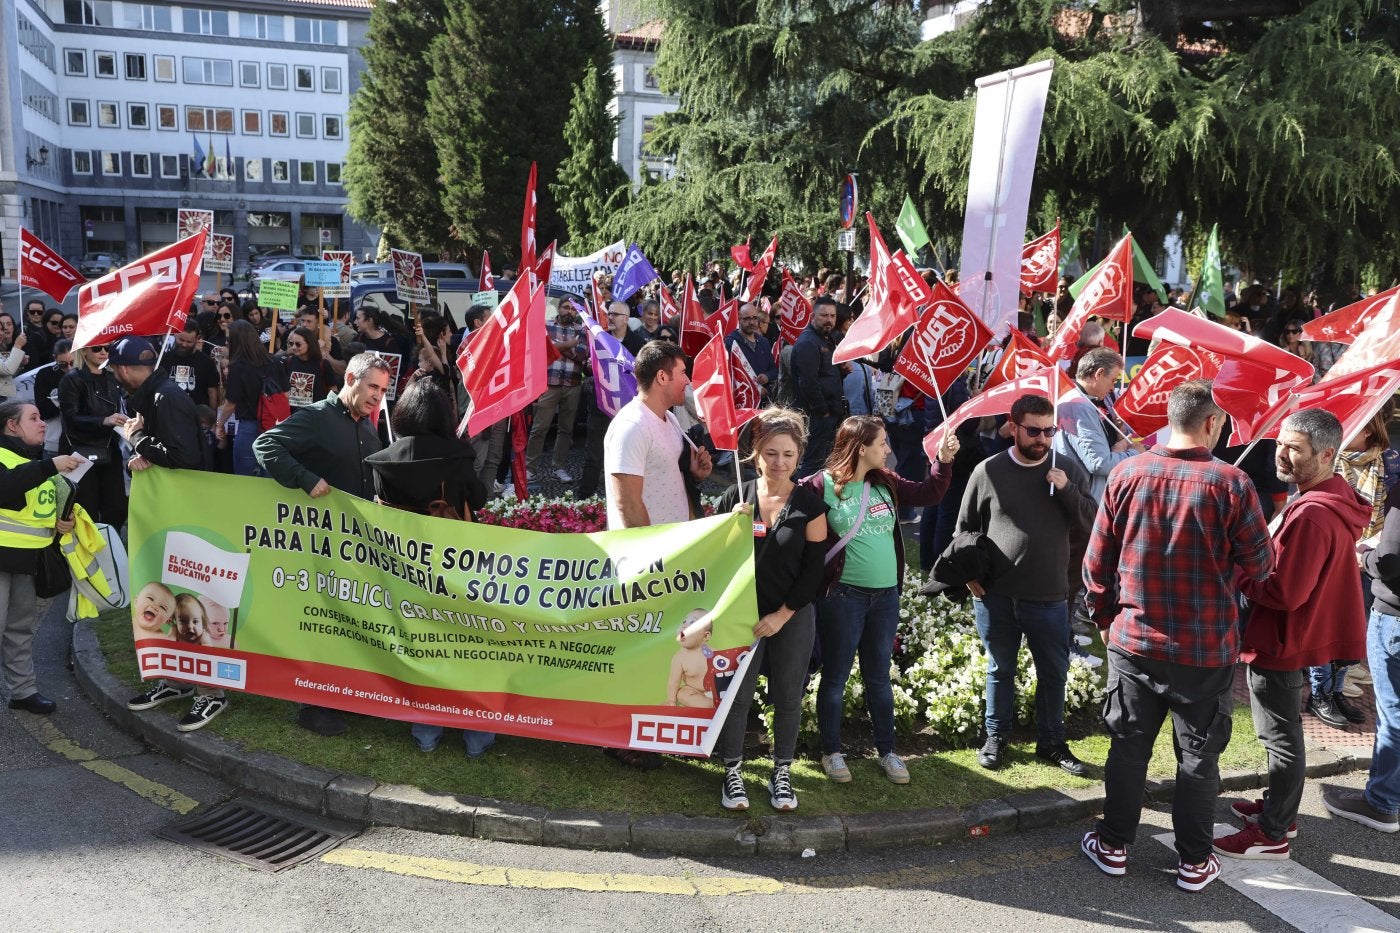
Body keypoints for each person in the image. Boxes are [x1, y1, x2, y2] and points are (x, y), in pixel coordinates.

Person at [1079, 380, 1272, 893]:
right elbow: (1261, 563)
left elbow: (1096, 562)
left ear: (1170, 418)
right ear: (1211, 423)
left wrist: (1103, 617)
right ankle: (1192, 861)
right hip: (1204, 648)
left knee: (1128, 747)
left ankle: (1115, 845)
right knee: (1198, 757)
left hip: (1135, 639)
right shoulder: (1232, 483)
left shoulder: (1128, 473)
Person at [1212, 408, 1368, 860]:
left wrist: (1239, 567)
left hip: (1282, 637)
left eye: (1294, 448)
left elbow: (1283, 591)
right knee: (1283, 731)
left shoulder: (1311, 515)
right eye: (1280, 443)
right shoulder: (1326, 498)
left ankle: (1273, 831)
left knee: (1278, 735)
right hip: (1294, 634)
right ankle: (1280, 810)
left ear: (1325, 454)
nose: (1281, 453)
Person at [798, 415, 957, 785]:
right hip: (843, 598)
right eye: (882, 443)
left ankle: (888, 751)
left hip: (885, 598)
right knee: (835, 678)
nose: (888, 449)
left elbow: (929, 493)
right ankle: (832, 752)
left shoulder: (885, 481)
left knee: (878, 678)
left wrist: (944, 461)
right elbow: (783, 509)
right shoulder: (819, 485)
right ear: (861, 447)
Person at [959, 394, 1097, 775]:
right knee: (1000, 668)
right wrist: (970, 574)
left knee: (1053, 672)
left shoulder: (1067, 468)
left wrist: (1067, 489)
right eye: (1034, 430)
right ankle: (995, 737)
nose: (1042, 439)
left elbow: (1094, 524)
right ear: (1013, 426)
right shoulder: (988, 471)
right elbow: (965, 529)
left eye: (1049, 431)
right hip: (996, 596)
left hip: (1050, 595)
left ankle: (1052, 743)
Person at [254, 353, 391, 736]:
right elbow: (266, 447)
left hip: (356, 546)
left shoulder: (368, 428)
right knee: (322, 624)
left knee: (350, 623)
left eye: (382, 390)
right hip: (317, 546)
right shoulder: (316, 417)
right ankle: (313, 706)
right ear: (351, 378)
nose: (377, 397)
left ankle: (347, 694)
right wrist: (305, 478)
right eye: (372, 387)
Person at [365, 379, 491, 757]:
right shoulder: (458, 455)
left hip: (404, 566)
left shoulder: (384, 459)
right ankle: (476, 738)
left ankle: (426, 733)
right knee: (468, 648)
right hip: (456, 565)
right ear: (444, 414)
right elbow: (479, 499)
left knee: (421, 645)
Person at [602, 341, 712, 769]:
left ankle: (647, 733)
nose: (689, 380)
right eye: (683, 372)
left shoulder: (668, 421)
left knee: (657, 650)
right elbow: (628, 504)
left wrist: (694, 475)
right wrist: (655, 563)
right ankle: (621, 740)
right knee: (638, 650)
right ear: (662, 376)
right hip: (645, 563)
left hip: (671, 556)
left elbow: (668, 483)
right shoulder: (631, 426)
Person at [713, 409, 829, 811]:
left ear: (799, 458)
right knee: (738, 697)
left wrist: (782, 615)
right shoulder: (735, 496)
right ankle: (732, 771)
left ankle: (781, 771)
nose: (779, 462)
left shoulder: (811, 505)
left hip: (791, 616)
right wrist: (728, 527)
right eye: (771, 453)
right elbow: (713, 560)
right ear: (755, 453)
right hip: (741, 618)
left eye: (788, 454)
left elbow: (814, 572)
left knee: (787, 695)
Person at [110, 336, 227, 729]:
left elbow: (184, 457)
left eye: (114, 369)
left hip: (190, 514)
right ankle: (177, 680)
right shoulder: (154, 394)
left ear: (125, 369)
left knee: (192, 597)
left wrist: (136, 438)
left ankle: (212, 693)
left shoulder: (166, 396)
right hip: (170, 512)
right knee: (165, 592)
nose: (113, 375)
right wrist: (141, 450)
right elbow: (168, 452)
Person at [1307, 410, 1400, 725]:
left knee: (1351, 629)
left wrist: (1372, 546)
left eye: (1354, 426)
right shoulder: (1327, 458)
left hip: (1370, 555)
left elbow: (1390, 513)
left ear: (1370, 430)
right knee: (1325, 626)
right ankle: (1319, 695)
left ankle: (1335, 692)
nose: (1344, 432)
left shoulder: (1390, 460)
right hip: (1331, 551)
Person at [0, 401, 84, 715]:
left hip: (26, 561)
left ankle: (23, 692)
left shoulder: (43, 462)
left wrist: (61, 525)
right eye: (33, 418)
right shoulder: (33, 462)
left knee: (20, 630)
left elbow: (37, 514)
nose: (42, 423)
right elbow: (6, 488)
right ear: (12, 425)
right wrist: (51, 466)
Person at [1327, 481, 1400, 833]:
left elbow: (1391, 561)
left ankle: (1382, 802)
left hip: (1395, 615)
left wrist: (1364, 556)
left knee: (1394, 714)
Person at [576, 301, 645, 499]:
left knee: (625, 456)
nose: (611, 318)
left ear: (626, 318)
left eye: (615, 314)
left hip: (627, 410)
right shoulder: (600, 338)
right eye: (609, 314)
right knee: (594, 455)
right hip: (600, 405)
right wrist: (589, 366)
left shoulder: (639, 344)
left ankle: (622, 498)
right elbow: (586, 370)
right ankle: (584, 499)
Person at [57, 344, 128, 530]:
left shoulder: (114, 377)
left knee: (116, 507)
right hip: (80, 451)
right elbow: (70, 417)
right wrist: (103, 420)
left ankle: (111, 551)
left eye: (107, 348)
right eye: (97, 348)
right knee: (84, 508)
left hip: (110, 448)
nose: (103, 352)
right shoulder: (72, 379)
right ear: (84, 350)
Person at [526, 298, 588, 483]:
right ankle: (530, 468)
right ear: (558, 308)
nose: (569, 311)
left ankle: (558, 467)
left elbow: (582, 355)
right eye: (566, 307)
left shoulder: (582, 330)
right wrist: (570, 344)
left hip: (572, 384)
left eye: (573, 309)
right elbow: (544, 350)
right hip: (549, 384)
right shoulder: (546, 326)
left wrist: (557, 347)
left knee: (566, 430)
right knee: (539, 428)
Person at [217, 320, 289, 477]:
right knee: (271, 478)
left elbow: (230, 404)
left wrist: (219, 424)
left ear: (237, 341)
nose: (226, 343)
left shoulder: (237, 366)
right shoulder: (275, 361)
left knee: (246, 480)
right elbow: (285, 395)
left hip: (250, 426)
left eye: (229, 340)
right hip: (274, 426)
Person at [790, 297, 843, 475]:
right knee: (813, 463)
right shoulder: (808, 342)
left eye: (832, 316)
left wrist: (842, 371)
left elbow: (825, 375)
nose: (829, 319)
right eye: (824, 315)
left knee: (823, 462)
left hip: (827, 414)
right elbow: (807, 383)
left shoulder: (826, 339)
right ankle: (803, 499)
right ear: (813, 316)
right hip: (816, 416)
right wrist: (823, 411)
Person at [725, 301, 778, 403]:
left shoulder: (764, 342)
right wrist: (755, 389)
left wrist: (767, 376)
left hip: (764, 404)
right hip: (742, 404)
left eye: (754, 318)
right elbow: (729, 377)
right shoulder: (730, 343)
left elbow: (774, 370)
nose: (752, 322)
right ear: (739, 319)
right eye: (747, 318)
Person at [166, 320, 221, 410]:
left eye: (189, 342)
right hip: (170, 413)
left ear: (197, 339)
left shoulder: (206, 362)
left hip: (197, 417)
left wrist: (212, 418)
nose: (184, 344)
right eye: (181, 340)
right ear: (175, 334)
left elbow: (212, 392)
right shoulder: (166, 358)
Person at [281, 326, 340, 410]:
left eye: (298, 344)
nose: (293, 347)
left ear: (309, 343)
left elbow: (333, 390)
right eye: (291, 343)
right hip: (294, 416)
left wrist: (332, 411)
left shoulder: (323, 364)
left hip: (316, 416)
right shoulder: (288, 362)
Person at [33, 339, 73, 459]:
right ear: (55, 358)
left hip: (82, 441)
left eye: (73, 363)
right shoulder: (45, 374)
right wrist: (62, 400)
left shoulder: (84, 373)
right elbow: (42, 410)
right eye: (63, 364)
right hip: (54, 440)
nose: (69, 368)